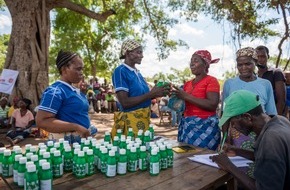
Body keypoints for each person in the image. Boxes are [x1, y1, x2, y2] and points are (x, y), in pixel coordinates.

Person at [211, 90, 290, 190]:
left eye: (233, 121)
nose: (233, 126)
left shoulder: (270, 139)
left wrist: (228, 166)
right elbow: (269, 159)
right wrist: (237, 151)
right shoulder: (280, 120)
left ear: (247, 117)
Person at [221, 47, 277, 177]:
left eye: (248, 64)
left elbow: (271, 112)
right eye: (240, 65)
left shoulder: (265, 84)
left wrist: (267, 137)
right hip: (236, 133)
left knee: (258, 168)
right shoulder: (229, 83)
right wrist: (225, 139)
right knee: (237, 170)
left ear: (255, 63)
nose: (243, 68)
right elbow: (226, 113)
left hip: (259, 132)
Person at [36, 50, 95, 144]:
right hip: (65, 146)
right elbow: (42, 121)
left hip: (79, 143)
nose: (81, 73)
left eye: (82, 69)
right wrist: (76, 127)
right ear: (64, 69)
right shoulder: (55, 91)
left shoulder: (72, 90)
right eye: (78, 69)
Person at [111, 39, 167, 137]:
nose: (142, 55)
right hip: (130, 124)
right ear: (128, 53)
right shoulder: (120, 71)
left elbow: (143, 97)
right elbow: (125, 102)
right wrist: (151, 94)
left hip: (144, 122)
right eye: (139, 52)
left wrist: (157, 93)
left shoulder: (138, 73)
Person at [172, 50, 221, 150]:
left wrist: (186, 96)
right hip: (187, 126)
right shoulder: (187, 84)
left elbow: (212, 104)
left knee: (203, 158)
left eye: (196, 61)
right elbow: (182, 106)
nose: (192, 64)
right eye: (191, 61)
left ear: (205, 64)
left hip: (205, 128)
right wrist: (175, 96)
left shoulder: (211, 81)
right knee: (187, 158)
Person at [256, 45, 286, 116]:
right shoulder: (253, 76)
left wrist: (274, 120)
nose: (260, 59)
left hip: (273, 117)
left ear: (268, 57)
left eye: (263, 56)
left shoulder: (276, 73)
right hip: (258, 118)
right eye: (258, 57)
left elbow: (281, 101)